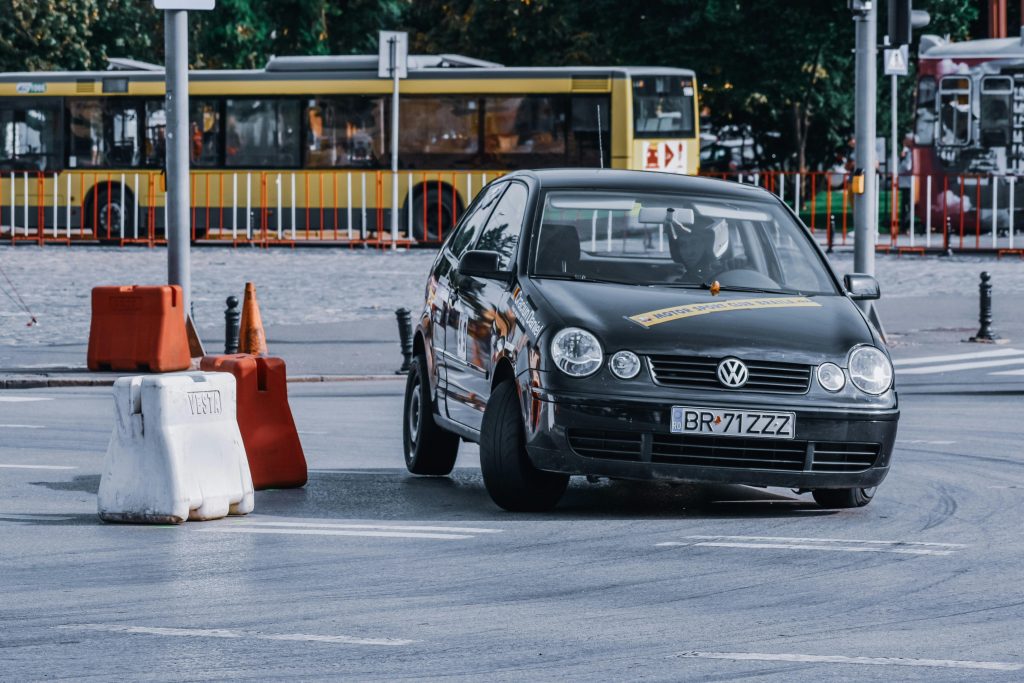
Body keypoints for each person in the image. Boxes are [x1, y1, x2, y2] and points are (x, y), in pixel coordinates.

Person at [668, 215, 730, 283]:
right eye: (683, 244)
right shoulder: (678, 281)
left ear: (707, 245)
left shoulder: (726, 276)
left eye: (694, 243)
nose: (689, 252)